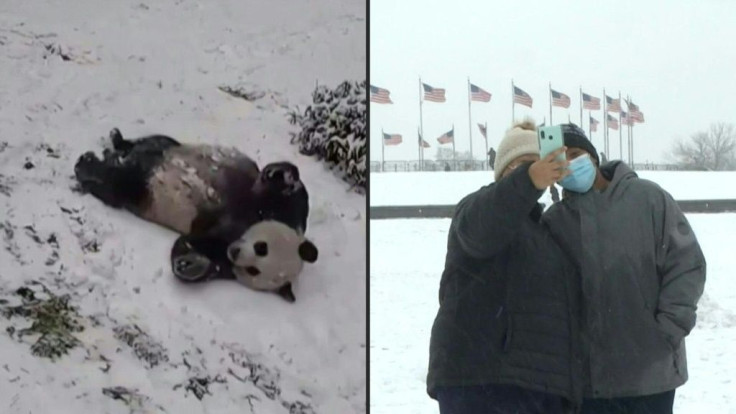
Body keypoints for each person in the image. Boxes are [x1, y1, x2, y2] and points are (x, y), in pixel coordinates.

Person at [542, 123, 707, 414]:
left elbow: (686, 265)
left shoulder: (649, 198)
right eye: (560, 159)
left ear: (593, 157)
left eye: (576, 153)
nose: (570, 163)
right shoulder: (555, 221)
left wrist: (667, 331)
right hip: (587, 385)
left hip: (650, 379)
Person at [426, 120, 583, 414]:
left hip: (539, 386)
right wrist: (529, 180)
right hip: (483, 379)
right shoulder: (476, 208)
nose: (530, 172)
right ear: (503, 172)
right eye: (520, 166)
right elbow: (483, 229)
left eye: (534, 164)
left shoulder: (546, 232)